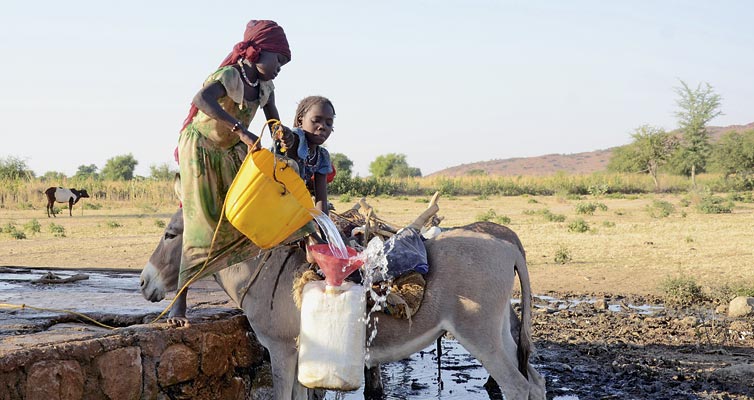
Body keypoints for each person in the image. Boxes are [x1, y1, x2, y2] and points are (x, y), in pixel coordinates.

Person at [169, 20, 293, 326]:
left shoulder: (265, 86)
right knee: (202, 224)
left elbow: (272, 118)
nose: (279, 67)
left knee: (246, 214)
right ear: (258, 52)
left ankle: (251, 290)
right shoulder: (230, 75)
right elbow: (201, 99)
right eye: (278, 59)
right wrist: (241, 131)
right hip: (201, 150)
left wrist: (282, 137)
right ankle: (178, 302)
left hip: (230, 149)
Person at [276, 96, 337, 215]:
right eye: (316, 120)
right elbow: (288, 138)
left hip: (290, 208)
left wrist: (326, 231)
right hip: (270, 199)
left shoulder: (322, 156)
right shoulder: (296, 140)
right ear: (300, 121)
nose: (322, 127)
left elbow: (321, 203)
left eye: (328, 123)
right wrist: (284, 135)